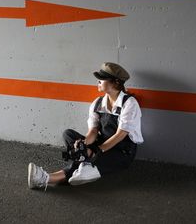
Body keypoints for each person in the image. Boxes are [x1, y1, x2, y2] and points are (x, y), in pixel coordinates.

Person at [28, 62, 144, 190]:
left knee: (89, 161)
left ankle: (46, 178)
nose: (98, 82)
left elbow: (120, 135)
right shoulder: (98, 103)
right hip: (102, 143)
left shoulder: (130, 104)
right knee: (69, 134)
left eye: (102, 79)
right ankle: (85, 163)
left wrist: (96, 151)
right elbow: (93, 131)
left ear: (115, 82)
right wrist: (83, 144)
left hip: (122, 151)